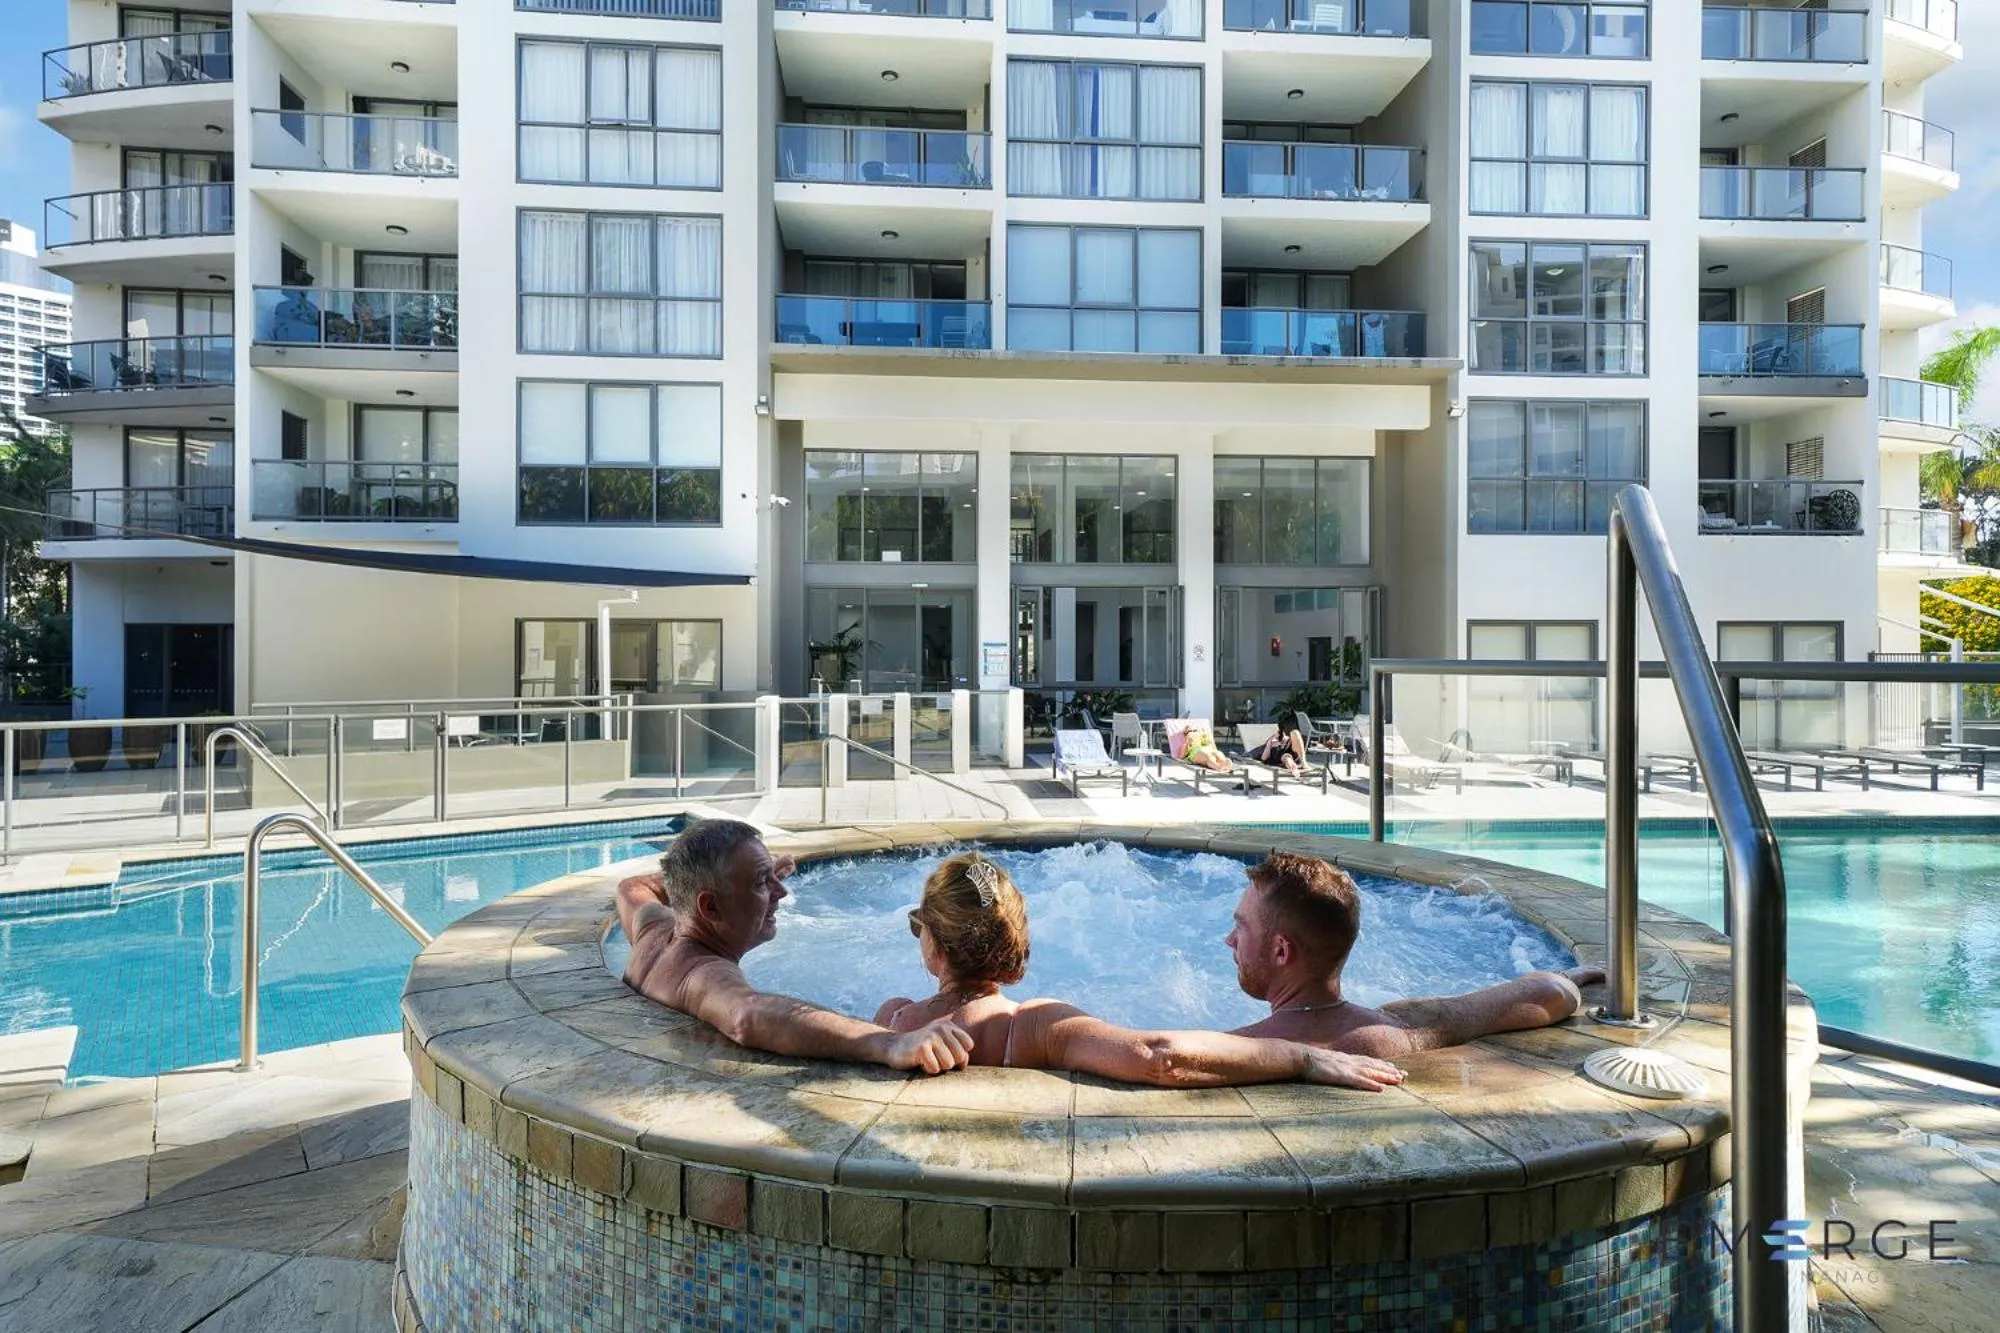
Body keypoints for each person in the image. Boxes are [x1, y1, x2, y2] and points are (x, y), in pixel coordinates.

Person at [873, 853, 1407, 1091]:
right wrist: (1303, 1058)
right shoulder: (1031, 1027)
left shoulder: (894, 1021)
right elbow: (1158, 1058)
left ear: (936, 946)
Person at [617, 818, 974, 1075]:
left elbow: (630, 887)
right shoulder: (704, 973)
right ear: (709, 907)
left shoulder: (653, 930)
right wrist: (890, 1044)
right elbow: (748, 1015)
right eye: (762, 883)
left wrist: (744, 877)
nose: (782, 892)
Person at [1221, 852, 1604, 1056]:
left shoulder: (1251, 1048)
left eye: (1241, 927)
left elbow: (1162, 1056)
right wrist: (1573, 977)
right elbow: (1546, 994)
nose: (1229, 940)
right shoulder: (1403, 1027)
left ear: (1281, 950)